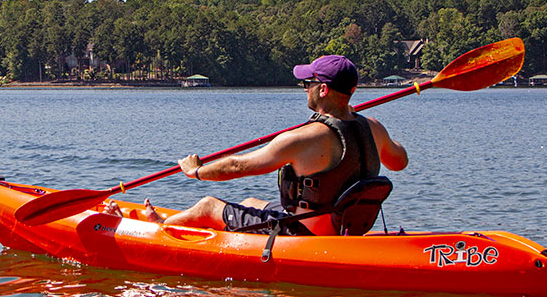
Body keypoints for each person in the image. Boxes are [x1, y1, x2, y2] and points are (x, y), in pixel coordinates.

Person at [107, 55, 408, 235]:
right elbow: (399, 162)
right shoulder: (374, 127)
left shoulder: (302, 138)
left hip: (305, 231)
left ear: (324, 89)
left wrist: (196, 171)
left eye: (308, 84)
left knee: (208, 206)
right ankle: (172, 222)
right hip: (346, 225)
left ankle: (155, 230)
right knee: (250, 203)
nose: (305, 89)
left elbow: (240, 166)